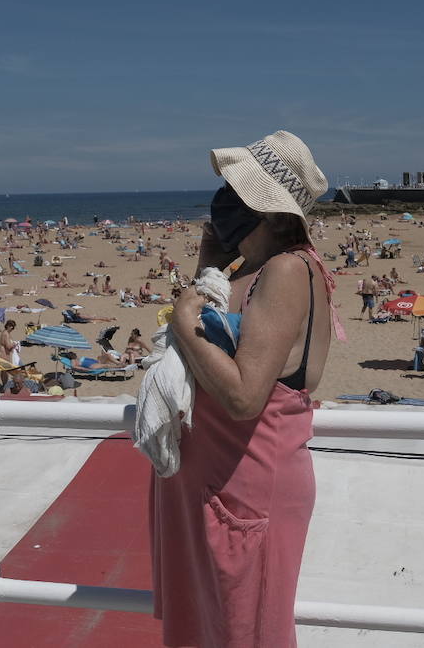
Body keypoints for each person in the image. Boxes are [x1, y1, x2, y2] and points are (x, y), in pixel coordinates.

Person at [152, 130, 338, 647]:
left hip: (245, 485)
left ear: (271, 214)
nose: (223, 201)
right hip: (220, 483)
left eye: (237, 192)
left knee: (246, 630)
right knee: (213, 627)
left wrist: (183, 323)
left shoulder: (286, 269)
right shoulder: (254, 270)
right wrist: (208, 267)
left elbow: (243, 396)